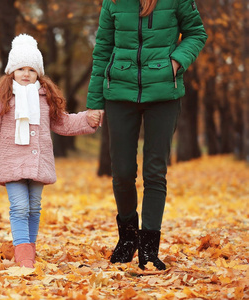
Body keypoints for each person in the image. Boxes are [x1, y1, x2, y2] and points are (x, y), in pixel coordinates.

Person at [86, 0, 207, 270]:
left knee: (155, 171)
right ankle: (128, 239)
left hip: (163, 95)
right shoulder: (113, 3)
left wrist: (176, 62)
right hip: (119, 93)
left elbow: (196, 33)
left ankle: (149, 249)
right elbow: (103, 48)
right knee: (122, 172)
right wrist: (94, 102)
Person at [0, 34, 99, 268]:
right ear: (11, 72)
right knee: (19, 206)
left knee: (34, 206)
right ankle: (23, 255)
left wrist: (88, 119)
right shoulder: (1, 98)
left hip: (38, 162)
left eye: (31, 69)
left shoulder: (46, 98)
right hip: (12, 161)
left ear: (39, 73)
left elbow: (63, 123)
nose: (25, 74)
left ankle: (31, 249)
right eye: (20, 68)